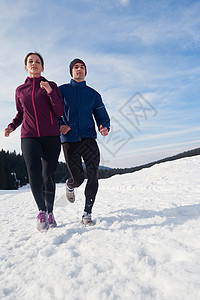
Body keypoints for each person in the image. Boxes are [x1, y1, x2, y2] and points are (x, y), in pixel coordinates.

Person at [4, 52, 64, 232]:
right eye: (30, 62)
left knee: (48, 176)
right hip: (29, 136)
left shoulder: (51, 85)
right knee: (34, 174)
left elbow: (60, 111)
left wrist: (50, 91)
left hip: (51, 136)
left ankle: (51, 211)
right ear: (26, 66)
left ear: (42, 67)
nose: (34, 64)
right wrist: (11, 126)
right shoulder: (20, 90)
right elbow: (20, 114)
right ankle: (41, 210)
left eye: (38, 62)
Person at [59, 58, 110, 226]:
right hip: (69, 140)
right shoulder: (62, 91)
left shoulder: (94, 95)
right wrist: (60, 126)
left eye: (82, 67)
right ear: (71, 72)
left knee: (93, 174)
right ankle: (70, 184)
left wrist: (104, 126)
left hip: (88, 138)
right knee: (78, 178)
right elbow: (53, 112)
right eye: (76, 67)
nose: (79, 69)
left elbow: (101, 116)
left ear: (85, 72)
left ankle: (87, 213)